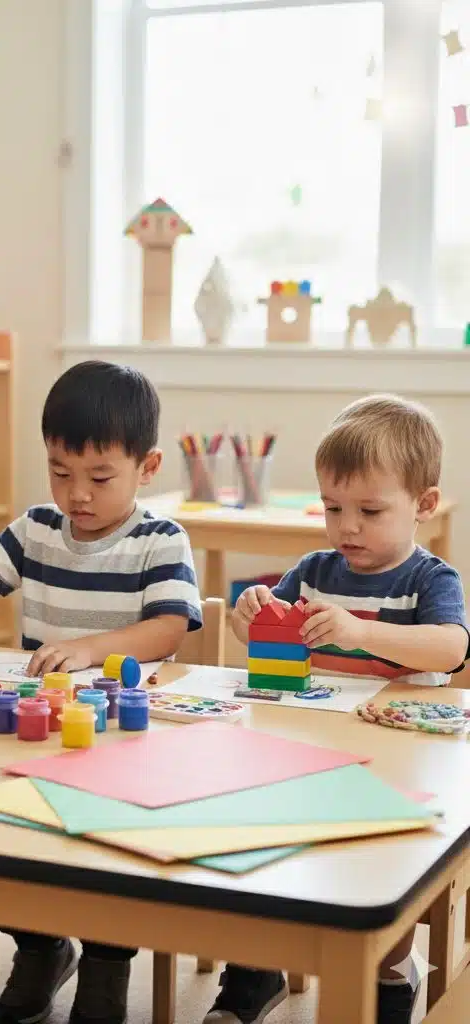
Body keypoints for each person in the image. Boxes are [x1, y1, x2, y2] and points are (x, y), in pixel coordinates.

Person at [0, 360, 203, 1024]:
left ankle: (107, 965)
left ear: (146, 469)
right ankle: (39, 947)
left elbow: (169, 628)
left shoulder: (158, 540)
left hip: (122, 733)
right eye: (60, 472)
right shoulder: (35, 528)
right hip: (39, 727)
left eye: (98, 477)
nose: (77, 494)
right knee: (9, 839)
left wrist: (92, 649)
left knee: (109, 856)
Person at [213, 394, 469, 1024]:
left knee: (385, 870)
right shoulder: (312, 569)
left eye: (370, 511)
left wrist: (364, 633)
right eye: (333, 508)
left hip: (401, 766)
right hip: (309, 752)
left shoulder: (430, 579)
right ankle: (253, 970)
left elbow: (453, 645)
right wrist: (252, 618)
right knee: (257, 840)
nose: (347, 527)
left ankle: (388, 976)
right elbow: (270, 632)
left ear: (424, 505)